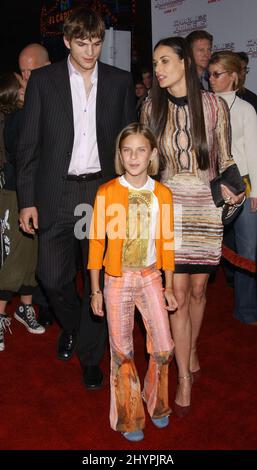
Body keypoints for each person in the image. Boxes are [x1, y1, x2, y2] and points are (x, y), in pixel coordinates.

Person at [16, 7, 136, 389]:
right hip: (57, 190)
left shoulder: (119, 82)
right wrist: (27, 200)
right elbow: (28, 145)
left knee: (98, 276)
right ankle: (75, 327)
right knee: (51, 277)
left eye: (97, 42)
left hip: (101, 191)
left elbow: (127, 143)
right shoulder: (44, 81)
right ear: (67, 41)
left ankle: (89, 355)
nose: (90, 50)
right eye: (82, 42)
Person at [141, 36, 244, 416]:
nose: (159, 69)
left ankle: (192, 345)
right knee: (178, 295)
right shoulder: (151, 107)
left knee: (199, 292)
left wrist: (235, 189)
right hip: (169, 209)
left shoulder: (215, 106)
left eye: (165, 60)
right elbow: (147, 167)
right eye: (155, 63)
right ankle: (183, 375)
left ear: (184, 62)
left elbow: (226, 159)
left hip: (205, 208)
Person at [88, 122, 177, 441]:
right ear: (120, 155)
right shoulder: (107, 192)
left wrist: (168, 284)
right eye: (127, 151)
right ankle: (128, 416)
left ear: (152, 154)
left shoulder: (163, 194)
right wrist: (95, 288)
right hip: (116, 278)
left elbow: (167, 240)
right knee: (122, 351)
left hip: (151, 274)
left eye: (141, 150)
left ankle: (156, 402)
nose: (134, 156)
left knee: (164, 346)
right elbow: (96, 241)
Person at [209, 51, 257, 324]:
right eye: (210, 74)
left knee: (247, 253)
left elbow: (254, 152)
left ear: (234, 76)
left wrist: (256, 192)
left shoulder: (246, 109)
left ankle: (246, 310)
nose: (211, 79)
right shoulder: (205, 105)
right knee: (204, 249)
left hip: (244, 186)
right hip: (212, 188)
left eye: (217, 74)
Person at [0, 72, 45, 352]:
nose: (27, 83)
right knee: (12, 255)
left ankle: (25, 308)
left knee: (31, 254)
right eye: (23, 82)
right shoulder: (17, 118)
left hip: (30, 194)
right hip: (12, 195)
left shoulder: (19, 115)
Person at [18, 43, 54, 327]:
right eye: (23, 71)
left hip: (62, 190)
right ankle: (41, 304)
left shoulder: (62, 95)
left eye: (33, 70)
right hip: (30, 191)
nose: (27, 77)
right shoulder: (16, 102)